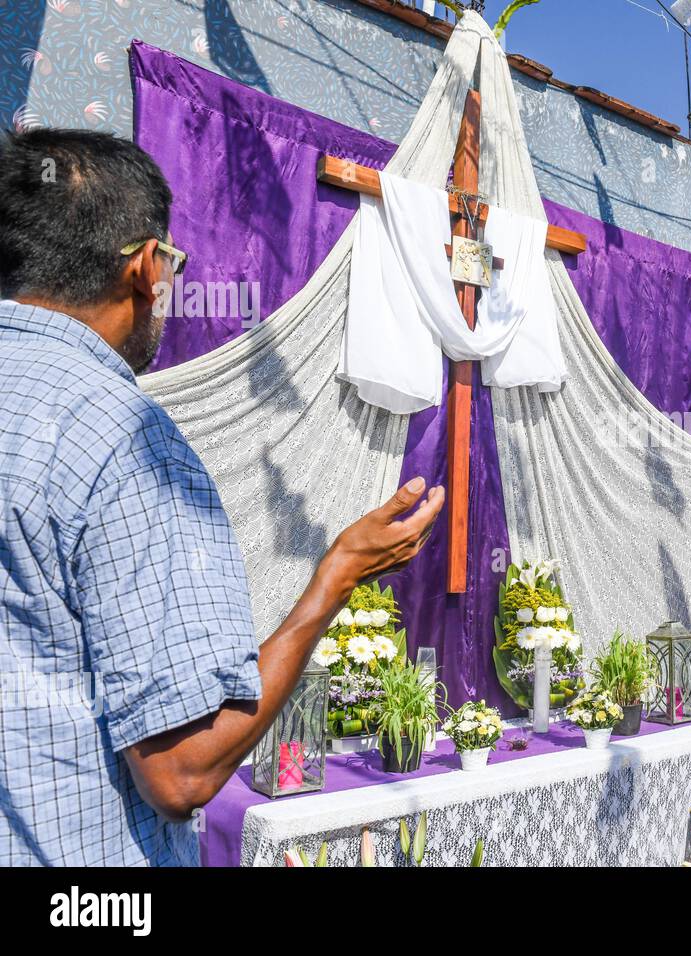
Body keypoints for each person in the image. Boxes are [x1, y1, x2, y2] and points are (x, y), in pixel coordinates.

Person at [0, 129, 444, 866]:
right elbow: (183, 770)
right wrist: (337, 577)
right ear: (145, 267)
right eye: (170, 264)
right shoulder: (121, 436)